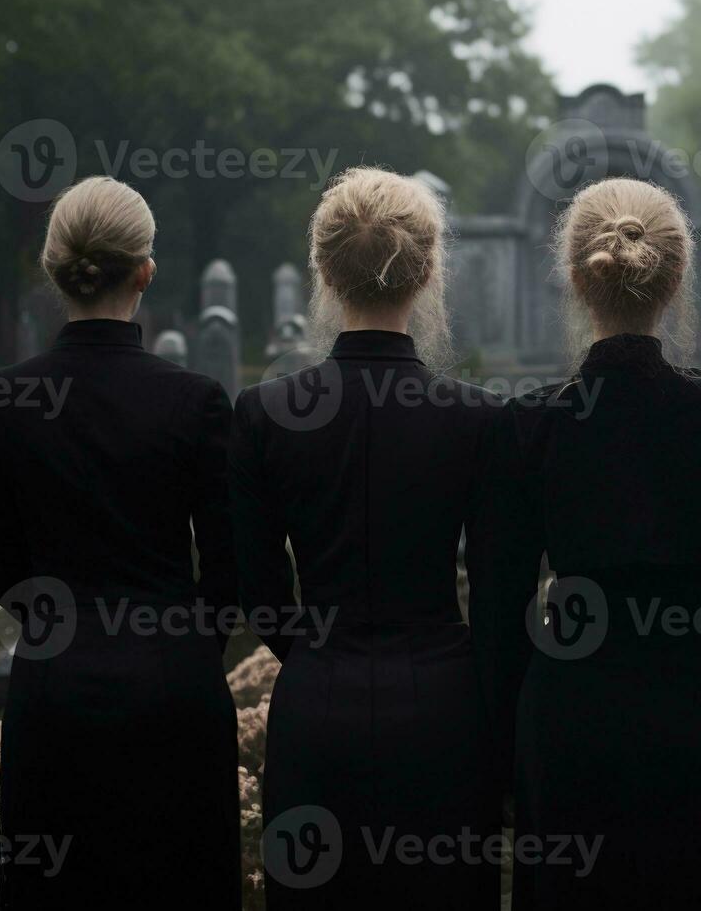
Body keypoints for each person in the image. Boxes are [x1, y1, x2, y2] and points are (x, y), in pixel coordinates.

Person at [470, 178, 701, 910]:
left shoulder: (527, 424)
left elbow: (498, 604)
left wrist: (498, 757)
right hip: (698, 706)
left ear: (576, 277)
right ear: (676, 281)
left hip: (570, 710)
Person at [228, 167, 501, 908]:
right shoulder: (476, 419)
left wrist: (319, 655)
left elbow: (257, 587)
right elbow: (501, 594)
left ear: (322, 268)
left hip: (317, 707)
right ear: (429, 270)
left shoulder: (264, 413)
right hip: (444, 711)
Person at [0, 176, 239, 909]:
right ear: (145, 271)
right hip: (176, 698)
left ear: (55, 272)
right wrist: (179, 648)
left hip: (54, 696)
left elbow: (12, 580)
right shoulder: (197, 403)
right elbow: (227, 574)